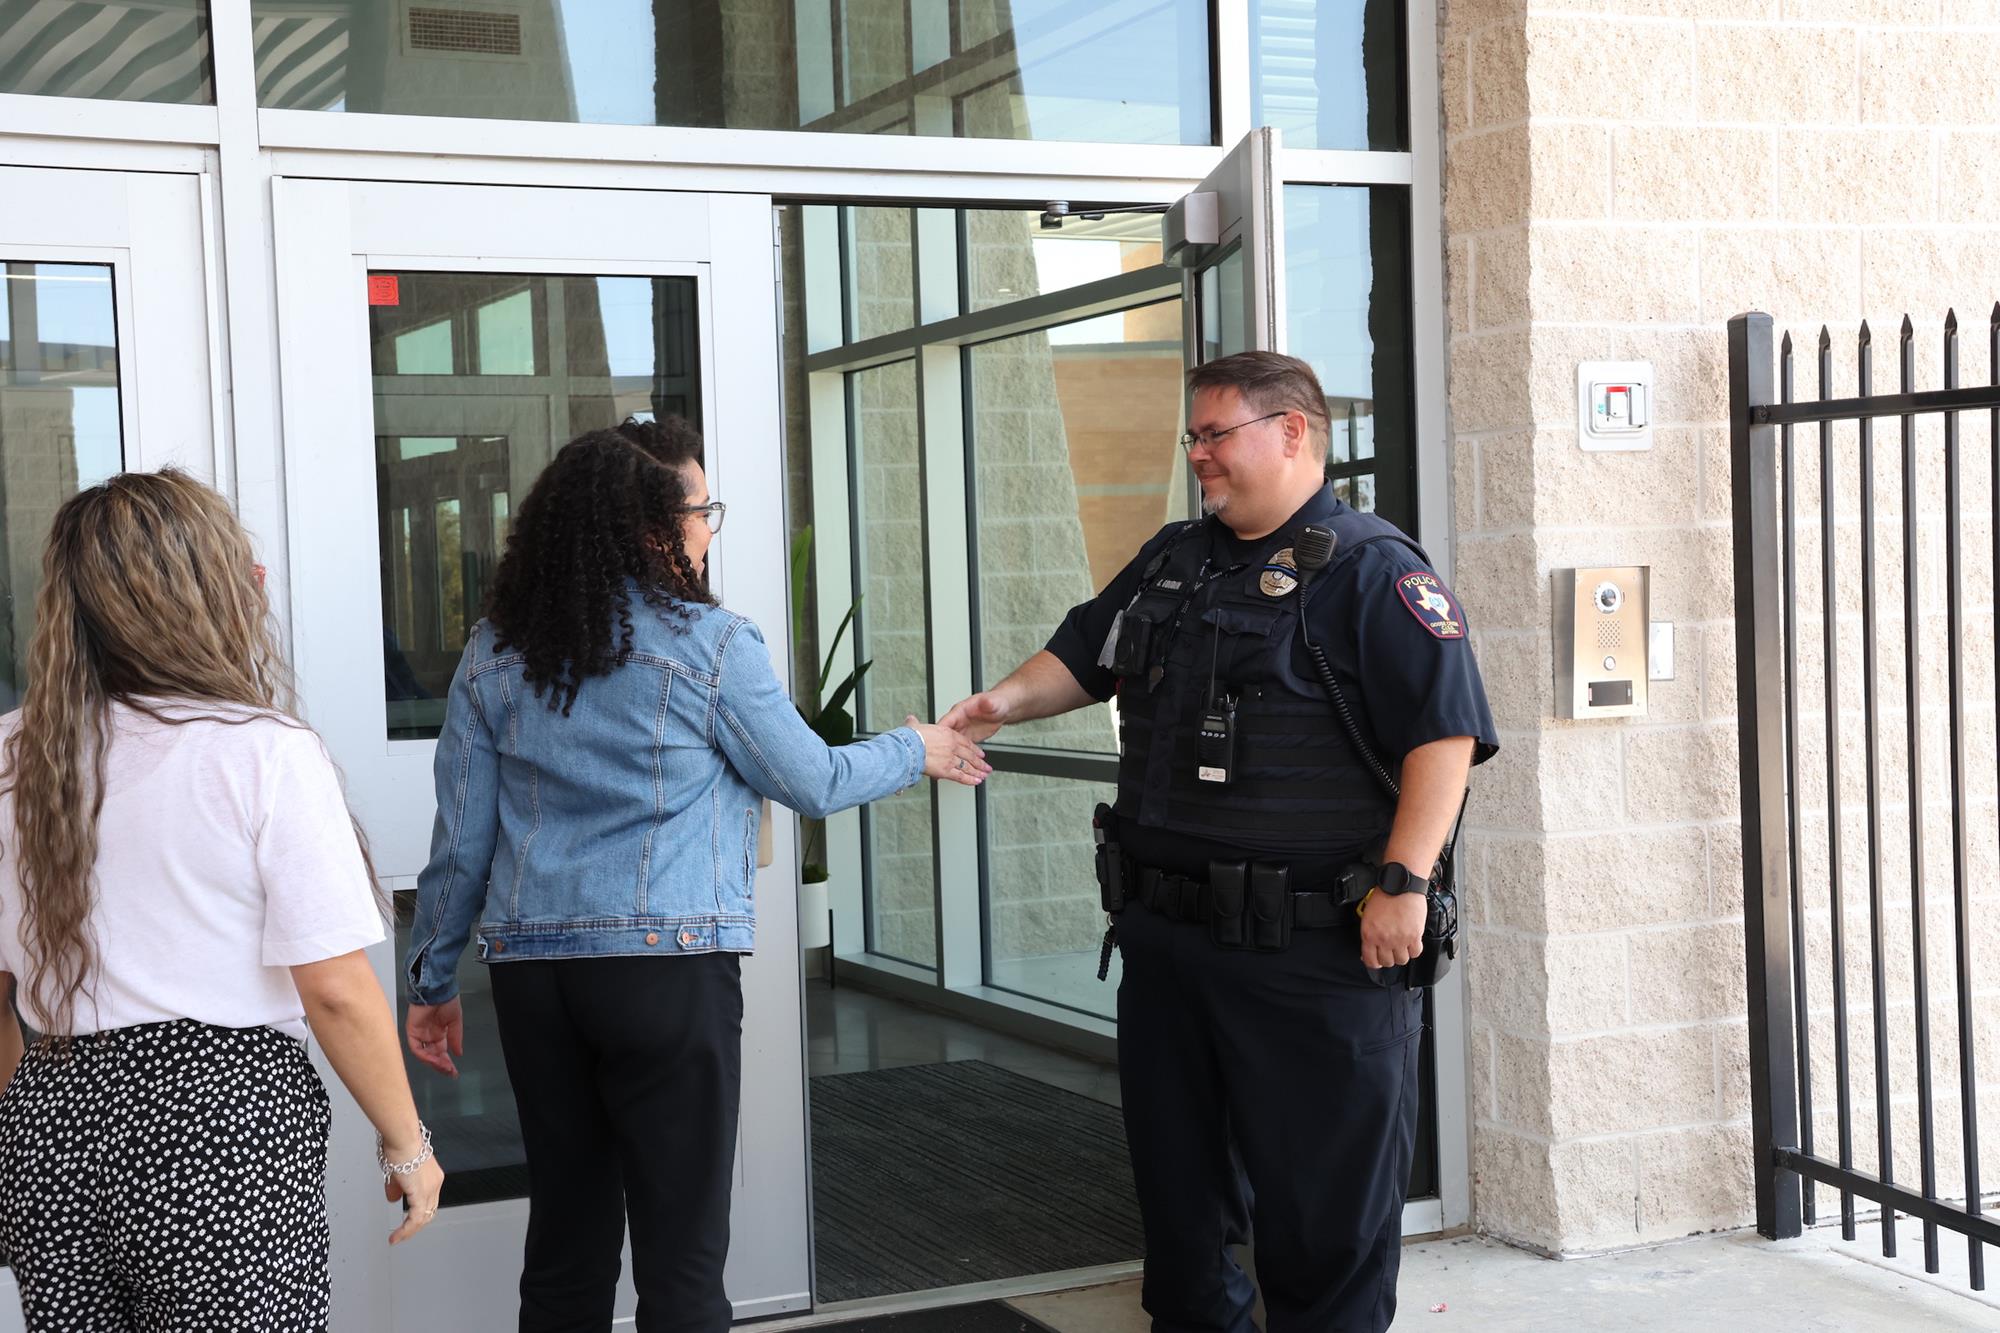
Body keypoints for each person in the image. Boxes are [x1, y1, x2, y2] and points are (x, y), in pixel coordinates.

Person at [940, 352, 1498, 1333]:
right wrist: (996, 705)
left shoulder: (1372, 570)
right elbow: (1083, 654)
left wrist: (1404, 882)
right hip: (1171, 948)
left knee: (1320, 1217)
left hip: (1311, 956)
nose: (1196, 454)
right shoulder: (1174, 558)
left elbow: (1441, 735)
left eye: (1214, 434)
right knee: (1182, 1214)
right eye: (1191, 436)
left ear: (1292, 433)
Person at [402, 417, 989, 1333]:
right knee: (681, 1264)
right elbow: (814, 779)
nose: (708, 528)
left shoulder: (493, 651)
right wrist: (919, 748)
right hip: (665, 970)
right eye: (701, 510)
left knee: (565, 1245)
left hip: (536, 979)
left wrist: (432, 979)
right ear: (650, 526)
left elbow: (459, 843)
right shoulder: (711, 643)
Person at [0, 470, 444, 1332]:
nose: (261, 585)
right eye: (243, 568)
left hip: (49, 1119)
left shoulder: (14, 755)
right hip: (219, 1120)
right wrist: (407, 1141)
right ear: (198, 595)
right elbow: (337, 988)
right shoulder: (259, 752)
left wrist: (24, 1121)